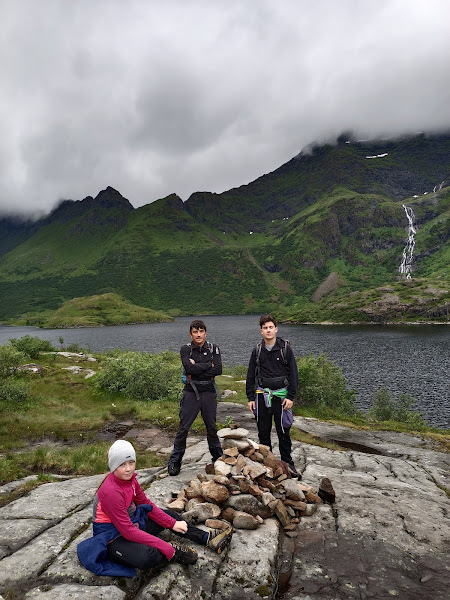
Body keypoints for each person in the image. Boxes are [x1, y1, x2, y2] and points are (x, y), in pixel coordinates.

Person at [77, 440, 232, 577]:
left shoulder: (130, 480)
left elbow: (147, 505)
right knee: (145, 558)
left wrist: (172, 523)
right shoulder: (110, 491)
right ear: (113, 466)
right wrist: (164, 546)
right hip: (112, 537)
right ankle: (173, 551)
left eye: (131, 462)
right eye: (122, 464)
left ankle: (206, 538)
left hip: (131, 523)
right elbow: (127, 531)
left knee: (171, 516)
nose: (128, 469)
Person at [246, 314, 301, 479]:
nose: (268, 330)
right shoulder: (257, 351)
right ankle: (266, 464)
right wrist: (250, 398)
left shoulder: (285, 349)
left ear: (276, 329)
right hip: (262, 397)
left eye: (271, 327)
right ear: (261, 331)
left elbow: (294, 374)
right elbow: (250, 376)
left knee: (283, 431)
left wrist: (290, 397)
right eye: (265, 328)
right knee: (263, 432)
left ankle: (288, 464)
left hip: (281, 397)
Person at [168, 319, 223, 476]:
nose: (198, 334)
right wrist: (208, 365)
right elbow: (189, 368)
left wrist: (197, 368)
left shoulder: (214, 348)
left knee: (211, 427)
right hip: (191, 392)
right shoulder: (185, 349)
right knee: (184, 427)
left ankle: (218, 458)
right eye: (195, 332)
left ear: (205, 333)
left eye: (201, 331)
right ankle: (175, 461)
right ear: (190, 334)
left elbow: (218, 369)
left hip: (209, 391)